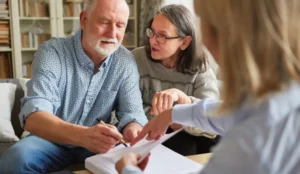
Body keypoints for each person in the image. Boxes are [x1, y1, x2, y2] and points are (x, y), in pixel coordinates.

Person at [116, 0, 300, 173]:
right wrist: (171, 114)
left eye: (207, 24)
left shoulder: (250, 143)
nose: (203, 41)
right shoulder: (279, 97)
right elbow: (229, 112)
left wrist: (126, 169)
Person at [0, 0, 148, 173]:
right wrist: (84, 136)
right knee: (15, 158)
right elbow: (34, 117)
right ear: (84, 19)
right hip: (49, 140)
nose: (112, 33)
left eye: (120, 25)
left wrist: (132, 130)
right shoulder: (53, 52)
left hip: (97, 145)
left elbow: (134, 114)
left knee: (132, 163)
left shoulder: (125, 60)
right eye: (104, 22)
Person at [132, 4, 219, 156]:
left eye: (163, 36)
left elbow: (212, 122)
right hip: (146, 133)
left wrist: (183, 101)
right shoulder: (136, 59)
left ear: (184, 42)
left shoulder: (201, 66)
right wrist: (169, 118)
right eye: (152, 32)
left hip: (186, 137)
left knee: (191, 143)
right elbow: (128, 110)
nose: (153, 40)